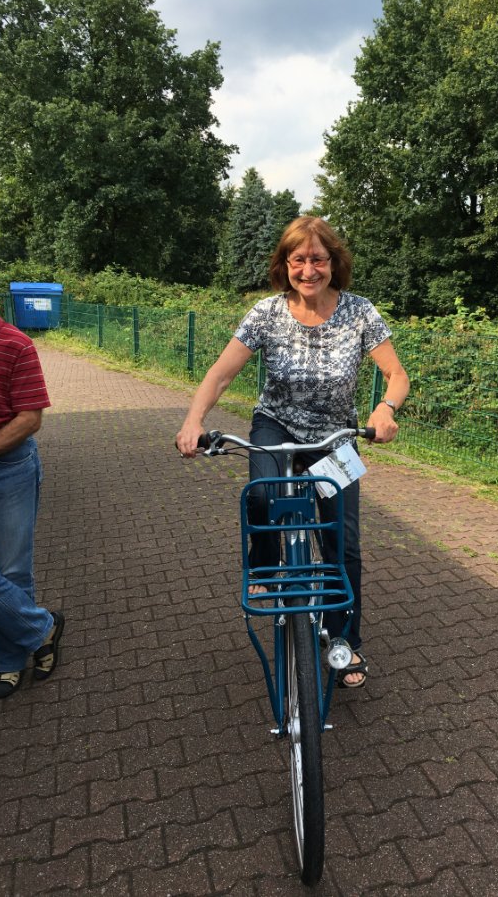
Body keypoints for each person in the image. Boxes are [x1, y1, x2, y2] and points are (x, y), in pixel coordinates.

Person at [176, 217, 409, 687]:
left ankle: (344, 642)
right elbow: (222, 373)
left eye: (318, 259)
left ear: (333, 263)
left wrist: (385, 408)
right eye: (298, 259)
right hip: (276, 425)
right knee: (262, 495)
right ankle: (264, 562)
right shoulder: (266, 313)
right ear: (284, 265)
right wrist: (193, 420)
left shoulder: (360, 312)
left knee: (343, 543)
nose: (308, 270)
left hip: (335, 438)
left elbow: (396, 375)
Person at [0, 277, 65, 700]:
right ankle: (42, 628)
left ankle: (8, 662)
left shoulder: (15, 344)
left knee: (12, 569)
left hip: (9, 468)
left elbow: (30, 418)